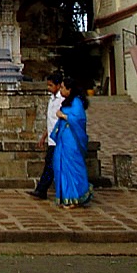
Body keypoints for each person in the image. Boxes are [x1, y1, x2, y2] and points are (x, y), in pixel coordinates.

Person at [51, 75, 94, 208]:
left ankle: (75, 196)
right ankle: (66, 196)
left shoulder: (76, 102)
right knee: (61, 166)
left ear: (69, 90)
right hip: (63, 138)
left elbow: (79, 119)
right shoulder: (68, 102)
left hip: (72, 140)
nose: (61, 90)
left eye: (63, 88)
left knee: (72, 167)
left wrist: (63, 116)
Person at [27, 70, 64, 200]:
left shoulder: (62, 100)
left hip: (59, 139)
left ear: (58, 85)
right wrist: (44, 136)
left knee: (51, 164)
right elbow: (51, 121)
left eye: (51, 85)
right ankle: (42, 189)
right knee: (50, 164)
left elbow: (60, 121)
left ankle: (42, 189)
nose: (48, 88)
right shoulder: (52, 99)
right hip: (51, 138)